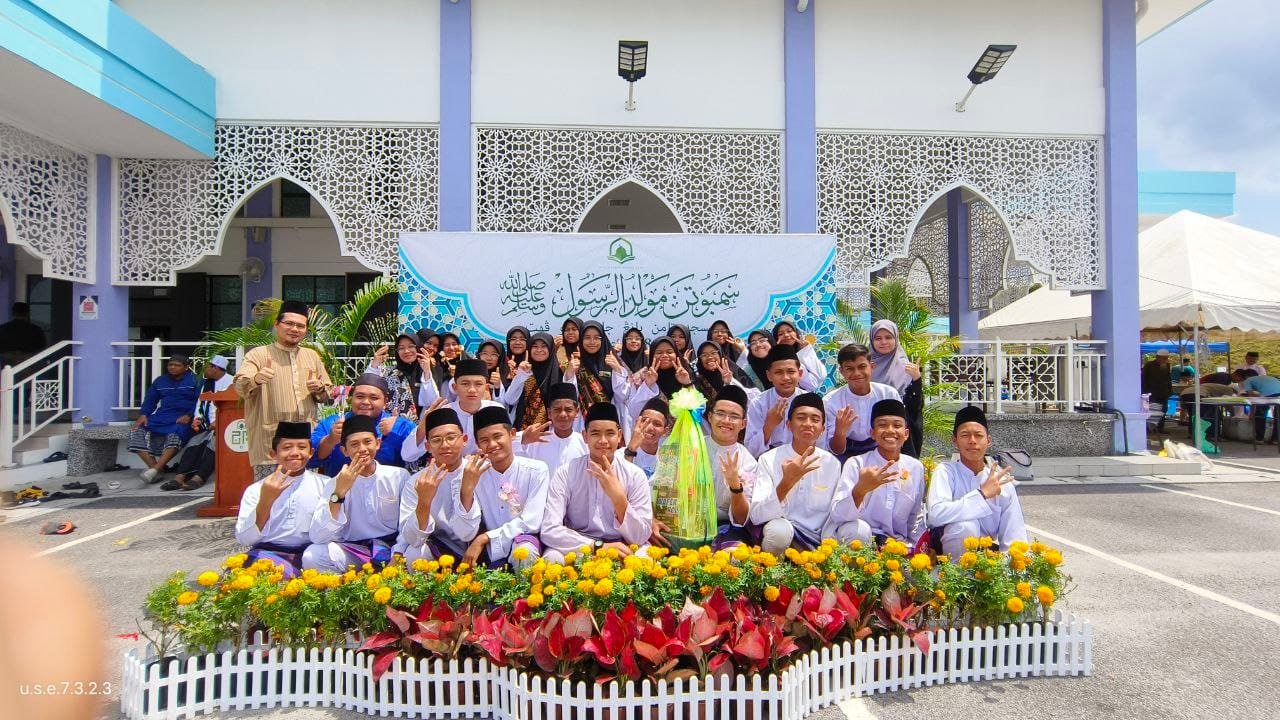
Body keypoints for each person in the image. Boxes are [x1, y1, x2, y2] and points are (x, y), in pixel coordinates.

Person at [749, 392, 867, 553]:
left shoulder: (831, 463)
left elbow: (837, 512)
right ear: (789, 425)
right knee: (778, 531)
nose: (808, 423)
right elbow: (757, 515)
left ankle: (846, 578)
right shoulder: (769, 459)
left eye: (815, 419)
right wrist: (786, 483)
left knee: (860, 530)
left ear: (822, 429)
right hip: (786, 535)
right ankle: (774, 575)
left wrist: (860, 491)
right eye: (801, 418)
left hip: (822, 538)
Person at [540, 402, 653, 563]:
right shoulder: (567, 472)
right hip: (580, 544)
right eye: (595, 434)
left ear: (619, 436)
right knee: (551, 559)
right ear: (585, 436)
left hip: (622, 543)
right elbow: (549, 529)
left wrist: (619, 498)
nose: (603, 440)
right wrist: (597, 546)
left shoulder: (634, 475)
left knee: (645, 558)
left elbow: (641, 535)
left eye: (610, 433)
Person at [234, 300, 333, 480]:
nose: (294, 329)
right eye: (289, 323)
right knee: (270, 498)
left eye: (300, 326)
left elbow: (328, 393)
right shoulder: (258, 355)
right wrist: (256, 379)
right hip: (270, 444)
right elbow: (240, 386)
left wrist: (319, 389)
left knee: (305, 499)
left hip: (305, 443)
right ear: (276, 324)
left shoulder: (312, 356)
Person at [305, 415, 410, 572]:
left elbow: (408, 523)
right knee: (312, 556)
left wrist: (398, 554)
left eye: (368, 442)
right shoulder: (335, 482)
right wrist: (339, 492)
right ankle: (348, 593)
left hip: (393, 548)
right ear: (345, 451)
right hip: (355, 551)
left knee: (417, 553)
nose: (362, 449)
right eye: (354, 444)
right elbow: (317, 536)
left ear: (378, 444)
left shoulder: (399, 476)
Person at [454, 406, 548, 570]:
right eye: (484, 440)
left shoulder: (536, 470)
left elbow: (531, 522)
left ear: (512, 435)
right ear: (477, 444)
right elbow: (464, 532)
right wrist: (467, 489)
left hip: (524, 542)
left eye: (498, 436)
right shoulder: (472, 473)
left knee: (524, 551)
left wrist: (486, 537)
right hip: (487, 549)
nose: (492, 444)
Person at [926, 406, 1027, 557]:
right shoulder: (946, 472)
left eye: (978, 435)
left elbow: (1014, 536)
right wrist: (982, 494)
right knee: (965, 527)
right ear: (955, 440)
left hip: (989, 560)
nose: (972, 441)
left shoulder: (1001, 483)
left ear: (988, 441)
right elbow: (936, 515)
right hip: (948, 560)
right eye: (965, 435)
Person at [233, 421, 328, 577]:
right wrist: (266, 500)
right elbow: (245, 539)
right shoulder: (256, 490)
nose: (295, 453)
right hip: (267, 556)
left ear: (311, 452)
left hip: (312, 556)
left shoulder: (325, 485)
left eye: (302, 447)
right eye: (287, 447)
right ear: (273, 454)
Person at [842, 399, 927, 549]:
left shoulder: (915, 467)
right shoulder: (856, 464)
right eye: (882, 425)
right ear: (872, 433)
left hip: (898, 546)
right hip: (863, 542)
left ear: (906, 434)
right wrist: (860, 490)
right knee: (857, 531)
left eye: (897, 425)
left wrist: (920, 547)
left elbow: (916, 516)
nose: (890, 430)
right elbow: (839, 514)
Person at [399, 407, 471, 562]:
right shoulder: (417, 482)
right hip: (442, 550)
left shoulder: (478, 471)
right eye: (437, 440)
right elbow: (412, 538)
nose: (445, 445)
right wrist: (424, 502)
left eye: (451, 437)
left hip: (480, 546)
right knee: (414, 554)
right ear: (428, 447)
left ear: (464, 440)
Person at [703, 385, 771, 549]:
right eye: (720, 414)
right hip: (683, 520)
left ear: (743, 424)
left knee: (734, 555)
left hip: (723, 526)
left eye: (734, 416)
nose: (726, 421)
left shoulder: (748, 462)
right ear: (710, 417)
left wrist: (735, 486)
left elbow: (741, 519)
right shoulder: (691, 446)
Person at [311, 373, 417, 476]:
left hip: (387, 492)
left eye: (374, 398)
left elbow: (421, 453)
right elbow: (309, 460)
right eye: (360, 396)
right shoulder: (333, 424)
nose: (366, 402)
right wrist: (330, 440)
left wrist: (398, 430)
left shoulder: (399, 425)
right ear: (351, 398)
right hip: (340, 490)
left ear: (385, 402)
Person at [404, 358, 504, 462]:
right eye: (465, 384)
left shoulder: (495, 410)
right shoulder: (443, 413)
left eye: (478, 384)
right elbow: (408, 455)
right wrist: (423, 425)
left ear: (486, 387)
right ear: (455, 387)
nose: (472, 390)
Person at [159, 355, 232, 491]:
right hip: (205, 425)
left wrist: (218, 421)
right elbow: (200, 404)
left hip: (224, 425)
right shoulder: (207, 383)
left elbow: (233, 407)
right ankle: (179, 477)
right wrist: (197, 419)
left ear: (215, 368)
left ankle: (199, 477)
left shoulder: (231, 382)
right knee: (194, 444)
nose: (204, 369)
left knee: (213, 446)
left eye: (207, 366)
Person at [824, 344, 902, 461]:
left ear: (872, 366)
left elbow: (899, 434)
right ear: (841, 371)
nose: (857, 373)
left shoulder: (888, 394)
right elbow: (836, 450)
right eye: (849, 368)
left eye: (862, 367)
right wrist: (840, 431)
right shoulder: (830, 401)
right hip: (845, 455)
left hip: (882, 451)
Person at [130, 354, 200, 484]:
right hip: (162, 416)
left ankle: (155, 469)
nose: (172, 367)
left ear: (186, 367)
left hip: (183, 417)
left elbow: (199, 401)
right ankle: (156, 469)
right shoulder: (160, 381)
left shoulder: (195, 380)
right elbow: (150, 399)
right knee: (136, 430)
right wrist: (144, 414)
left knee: (177, 432)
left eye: (177, 365)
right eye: (170, 365)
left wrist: (190, 415)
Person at [868, 320, 925, 457]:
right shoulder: (865, 366)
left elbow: (916, 407)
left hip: (898, 434)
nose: (883, 342)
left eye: (888, 337)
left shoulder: (907, 368)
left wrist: (916, 379)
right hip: (869, 430)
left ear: (896, 339)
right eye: (878, 338)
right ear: (872, 340)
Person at [745, 344, 810, 456]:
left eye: (790, 371)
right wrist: (769, 425)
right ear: (769, 376)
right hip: (768, 459)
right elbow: (750, 450)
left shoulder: (810, 402)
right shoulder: (758, 403)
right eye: (778, 372)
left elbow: (820, 443)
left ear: (799, 374)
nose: (785, 377)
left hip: (803, 456)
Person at [514, 382, 588, 475]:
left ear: (576, 412)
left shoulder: (585, 444)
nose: (563, 414)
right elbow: (505, 448)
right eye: (557, 410)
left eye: (568, 410)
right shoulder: (534, 441)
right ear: (549, 413)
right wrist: (522, 439)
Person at [505, 332, 568, 429]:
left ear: (551, 349)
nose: (539, 350)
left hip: (553, 433)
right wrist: (521, 375)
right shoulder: (524, 372)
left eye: (544, 346)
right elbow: (509, 400)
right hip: (524, 434)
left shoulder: (560, 374)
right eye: (534, 346)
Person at [571, 321, 630, 422]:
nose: (592, 342)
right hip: (583, 422)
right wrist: (570, 374)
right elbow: (572, 396)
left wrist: (617, 370)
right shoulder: (575, 364)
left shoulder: (613, 362)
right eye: (587, 337)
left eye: (597, 338)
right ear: (581, 339)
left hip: (611, 419)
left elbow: (623, 396)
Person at [626, 336, 694, 423]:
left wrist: (686, 384)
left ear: (676, 354)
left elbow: (698, 411)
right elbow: (633, 412)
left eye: (669, 352)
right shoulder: (641, 377)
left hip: (684, 432)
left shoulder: (687, 374)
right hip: (654, 434)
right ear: (652, 356)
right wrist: (647, 385)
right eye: (659, 352)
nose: (664, 355)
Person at [371, 333, 431, 417]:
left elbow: (433, 400)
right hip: (393, 427)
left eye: (411, 346)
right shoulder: (388, 373)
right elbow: (369, 388)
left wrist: (427, 372)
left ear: (418, 347)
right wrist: (374, 365)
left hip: (425, 426)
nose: (406, 351)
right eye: (401, 348)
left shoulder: (428, 370)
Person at [618, 397, 669, 478]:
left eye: (657, 424)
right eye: (644, 421)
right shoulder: (619, 455)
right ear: (637, 423)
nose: (649, 427)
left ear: (665, 431)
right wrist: (631, 451)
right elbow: (622, 483)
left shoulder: (668, 460)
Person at [772, 320, 829, 389]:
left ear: (796, 333)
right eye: (780, 334)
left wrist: (805, 350)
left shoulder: (804, 350)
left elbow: (820, 376)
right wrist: (777, 352)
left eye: (789, 331)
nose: (786, 335)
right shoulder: (773, 357)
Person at [1236, 369, 1280, 442]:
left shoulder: (1248, 380)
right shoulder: (1265, 377)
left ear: (1246, 376)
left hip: (1268, 395)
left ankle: (1259, 439)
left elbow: (1251, 397)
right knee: (1278, 417)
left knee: (1260, 415)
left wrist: (1251, 413)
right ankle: (1276, 439)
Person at [0, 301, 46, 367]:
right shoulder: (36, 329)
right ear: (27, 313)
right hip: (29, 362)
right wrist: (25, 356)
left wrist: (12, 355)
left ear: (13, 313)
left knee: (8, 376)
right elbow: (41, 347)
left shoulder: (2, 328)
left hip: (8, 362)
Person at [1141, 349, 1173, 433]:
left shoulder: (1166, 366)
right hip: (1152, 392)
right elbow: (1144, 379)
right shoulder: (1149, 365)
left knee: (1163, 410)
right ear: (1158, 357)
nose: (1164, 360)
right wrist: (1145, 392)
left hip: (1163, 393)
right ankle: (1149, 429)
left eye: (1166, 358)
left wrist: (1169, 390)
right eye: (1163, 358)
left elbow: (1168, 379)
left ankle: (1160, 428)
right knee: (1152, 410)